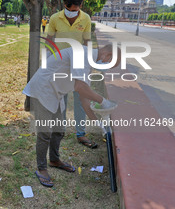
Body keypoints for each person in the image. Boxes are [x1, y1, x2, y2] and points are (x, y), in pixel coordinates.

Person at [23, 44, 120, 187]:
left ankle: (54, 160)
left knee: (59, 130)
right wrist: (103, 101)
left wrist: (98, 124)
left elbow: (84, 97)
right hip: (43, 89)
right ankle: (41, 168)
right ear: (108, 55)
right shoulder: (82, 54)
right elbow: (80, 87)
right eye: (109, 64)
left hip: (54, 92)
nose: (106, 66)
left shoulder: (87, 64)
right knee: (45, 132)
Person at [47, 0, 96, 148]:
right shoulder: (55, 18)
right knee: (61, 98)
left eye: (75, 10)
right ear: (64, 5)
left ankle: (81, 133)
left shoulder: (86, 18)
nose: (72, 13)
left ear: (81, 6)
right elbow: (49, 41)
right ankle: (60, 130)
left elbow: (87, 41)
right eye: (69, 9)